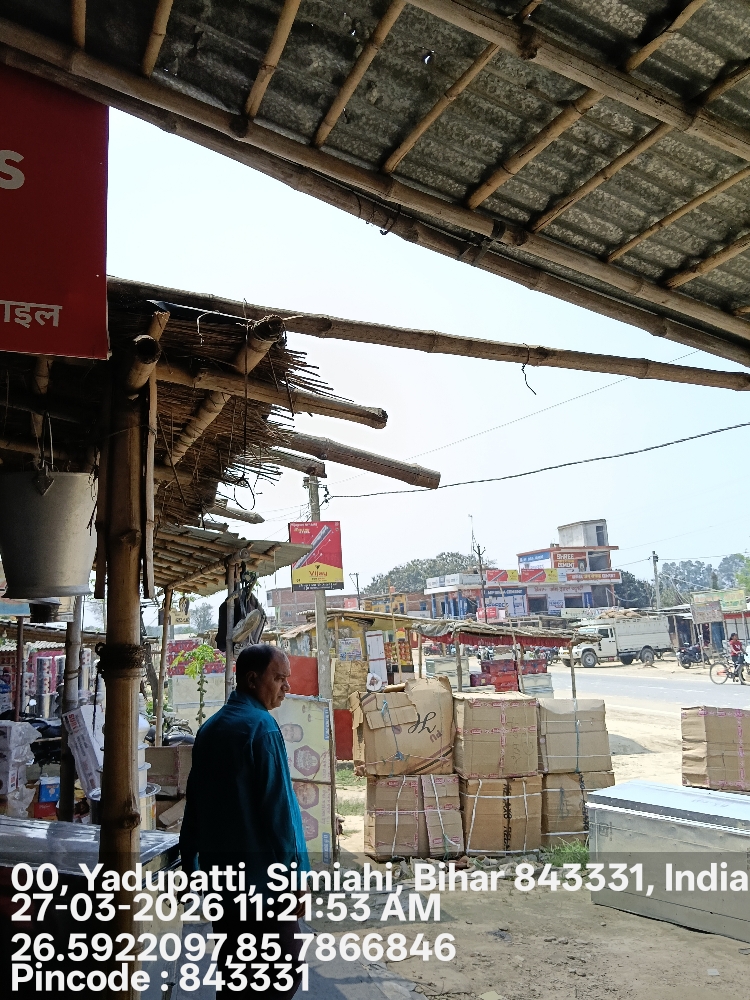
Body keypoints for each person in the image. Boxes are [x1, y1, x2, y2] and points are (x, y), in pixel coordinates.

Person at [180, 644, 309, 997]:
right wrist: (297, 877)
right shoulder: (262, 728)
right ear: (252, 680)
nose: (286, 687)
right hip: (263, 886)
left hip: (222, 885)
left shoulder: (209, 729)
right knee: (282, 971)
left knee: (235, 972)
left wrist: (191, 868)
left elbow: (195, 806)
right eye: (279, 678)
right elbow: (281, 813)